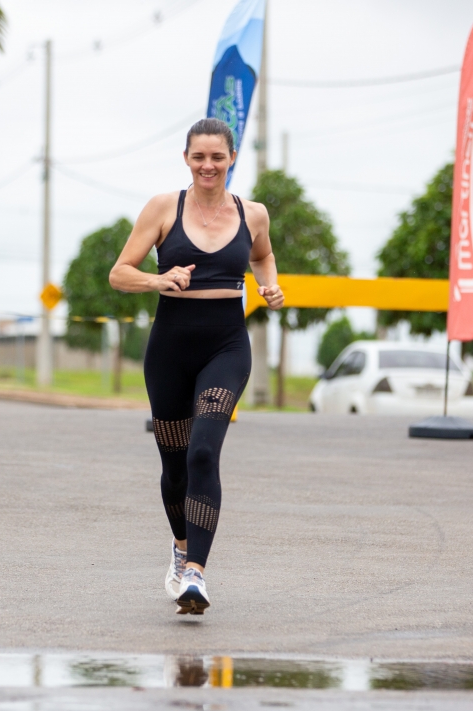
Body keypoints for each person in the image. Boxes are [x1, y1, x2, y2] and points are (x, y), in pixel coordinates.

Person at [109, 118, 284, 615]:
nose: (208, 165)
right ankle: (181, 546)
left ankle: (196, 574)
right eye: (199, 157)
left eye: (217, 157)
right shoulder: (164, 208)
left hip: (226, 346)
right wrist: (157, 280)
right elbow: (119, 273)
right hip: (170, 347)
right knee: (175, 464)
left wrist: (269, 284)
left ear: (232, 158)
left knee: (203, 453)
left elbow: (263, 256)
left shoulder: (253, 214)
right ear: (186, 159)